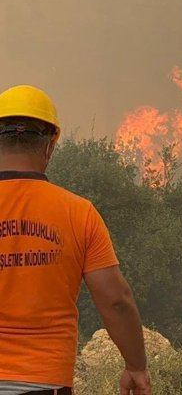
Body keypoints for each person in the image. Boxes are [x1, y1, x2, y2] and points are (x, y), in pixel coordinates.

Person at [0, 85, 151, 395]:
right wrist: (136, 366)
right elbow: (116, 301)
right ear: (50, 146)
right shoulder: (78, 214)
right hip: (44, 382)